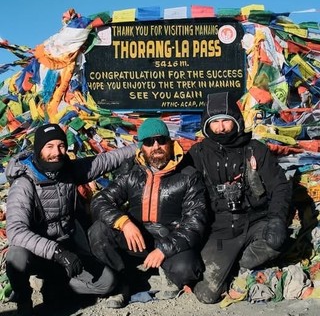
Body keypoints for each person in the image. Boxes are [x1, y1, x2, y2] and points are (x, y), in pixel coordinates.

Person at [5, 123, 136, 316]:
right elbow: (16, 231)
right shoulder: (24, 184)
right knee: (16, 255)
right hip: (39, 252)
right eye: (49, 146)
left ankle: (57, 285)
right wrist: (56, 252)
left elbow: (105, 160)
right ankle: (24, 301)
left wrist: (141, 145)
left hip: (68, 246)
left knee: (107, 283)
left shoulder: (68, 170)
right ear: (39, 149)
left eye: (60, 146)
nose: (56, 152)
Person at [88, 118, 208, 308]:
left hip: (169, 236)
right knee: (99, 231)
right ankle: (121, 282)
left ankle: (168, 272)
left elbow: (196, 222)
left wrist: (164, 249)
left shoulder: (189, 175)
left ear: (169, 142)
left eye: (161, 140)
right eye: (149, 142)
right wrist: (123, 222)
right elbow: (100, 201)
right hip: (137, 236)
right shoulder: (131, 171)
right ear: (142, 146)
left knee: (188, 270)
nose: (156, 146)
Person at [186, 92, 292, 304]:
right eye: (215, 122)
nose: (221, 127)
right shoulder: (197, 154)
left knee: (277, 240)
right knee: (207, 295)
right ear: (206, 125)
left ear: (237, 120)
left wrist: (277, 218)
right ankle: (230, 262)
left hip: (255, 220)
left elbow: (280, 185)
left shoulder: (256, 150)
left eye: (226, 120)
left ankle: (244, 262)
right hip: (220, 229)